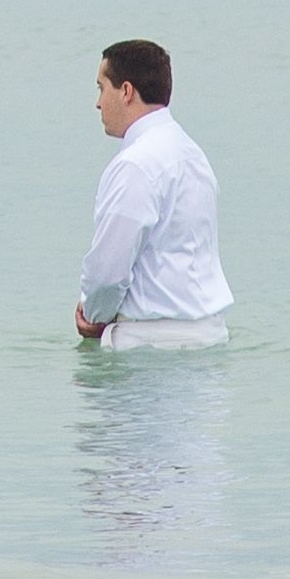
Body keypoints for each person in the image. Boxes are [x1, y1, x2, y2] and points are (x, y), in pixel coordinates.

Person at [76, 40, 232, 350]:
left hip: (148, 341)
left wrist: (93, 314)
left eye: (102, 88)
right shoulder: (193, 155)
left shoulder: (135, 163)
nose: (98, 103)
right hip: (210, 335)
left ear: (126, 91)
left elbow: (108, 271)